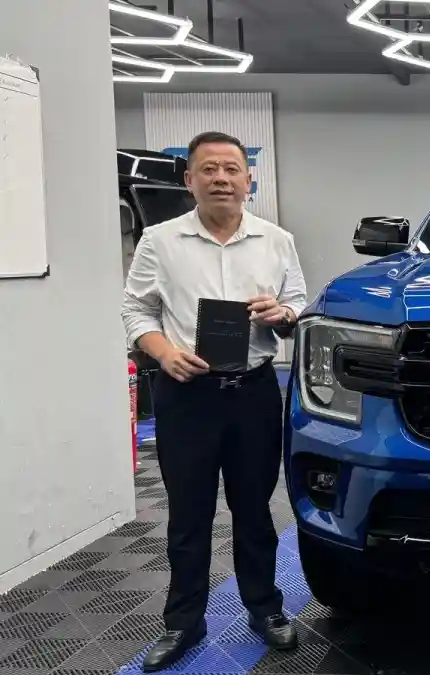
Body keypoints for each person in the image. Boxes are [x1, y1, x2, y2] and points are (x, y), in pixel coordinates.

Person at [122, 131, 307, 672]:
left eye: (231, 169)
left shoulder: (277, 240)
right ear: (189, 179)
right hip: (186, 393)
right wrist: (162, 352)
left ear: (248, 180)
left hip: (253, 392)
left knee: (255, 510)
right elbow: (135, 310)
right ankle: (183, 622)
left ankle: (264, 608)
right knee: (188, 513)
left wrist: (283, 314)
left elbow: (298, 303)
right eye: (208, 169)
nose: (221, 178)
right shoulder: (160, 241)